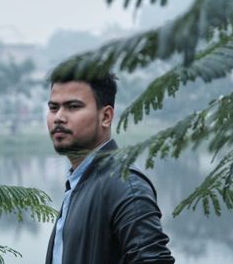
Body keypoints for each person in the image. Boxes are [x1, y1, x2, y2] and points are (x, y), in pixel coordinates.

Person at [45, 70, 175, 264]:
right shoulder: (79, 182)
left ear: (106, 116)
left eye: (73, 107)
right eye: (54, 108)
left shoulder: (125, 184)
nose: (59, 117)